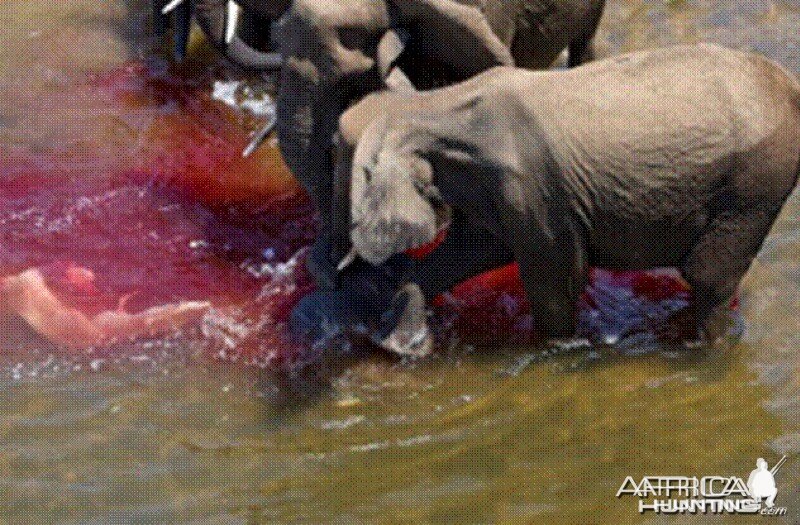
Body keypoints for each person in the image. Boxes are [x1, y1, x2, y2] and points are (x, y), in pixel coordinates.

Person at [0, 266, 209, 348]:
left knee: (96, 338)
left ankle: (203, 311)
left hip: (27, 291)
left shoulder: (22, 287)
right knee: (97, 337)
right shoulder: (23, 285)